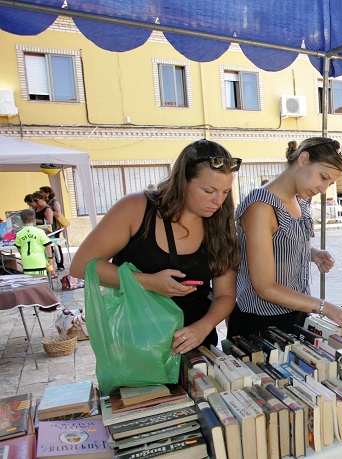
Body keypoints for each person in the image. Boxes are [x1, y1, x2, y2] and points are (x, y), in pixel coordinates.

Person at [71, 139, 240, 353]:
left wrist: (202, 328)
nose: (218, 200)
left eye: (226, 192)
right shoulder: (136, 208)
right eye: (208, 191)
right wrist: (148, 282)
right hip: (135, 346)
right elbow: (81, 266)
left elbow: (225, 295)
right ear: (182, 182)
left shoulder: (220, 222)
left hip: (193, 344)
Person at [227, 137, 342, 338]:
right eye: (323, 177)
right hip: (261, 324)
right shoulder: (261, 207)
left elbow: (276, 244)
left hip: (296, 314)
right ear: (304, 159)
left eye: (330, 183)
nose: (323, 189)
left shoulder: (300, 200)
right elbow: (264, 287)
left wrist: (312, 254)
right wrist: (326, 308)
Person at [14, 208, 52, 275]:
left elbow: (18, 247)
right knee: (41, 281)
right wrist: (49, 257)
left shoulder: (19, 233)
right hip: (39, 260)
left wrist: (23, 255)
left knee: (30, 281)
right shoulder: (40, 232)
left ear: (22, 221)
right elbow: (47, 245)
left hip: (26, 261)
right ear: (34, 221)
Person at [39, 185, 66, 270]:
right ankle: (51, 264)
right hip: (45, 227)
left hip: (54, 227)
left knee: (56, 245)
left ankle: (60, 264)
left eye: (42, 192)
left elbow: (58, 213)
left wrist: (48, 212)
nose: (41, 194)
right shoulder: (42, 203)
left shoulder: (54, 202)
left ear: (48, 193)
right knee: (48, 246)